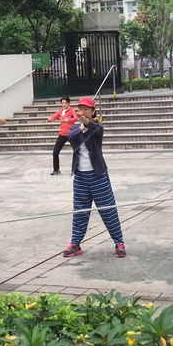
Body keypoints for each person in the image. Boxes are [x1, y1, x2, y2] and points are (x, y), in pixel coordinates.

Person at [62, 96, 126, 258]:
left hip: (98, 176)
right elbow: (71, 136)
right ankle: (75, 244)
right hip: (80, 177)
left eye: (86, 109)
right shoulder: (75, 128)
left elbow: (98, 130)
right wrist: (82, 125)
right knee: (80, 211)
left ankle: (119, 242)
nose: (83, 111)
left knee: (108, 210)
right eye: (81, 109)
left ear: (92, 111)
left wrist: (88, 123)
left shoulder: (97, 126)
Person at [46, 96, 77, 175]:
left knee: (76, 151)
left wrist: (69, 120)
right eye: (62, 103)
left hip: (71, 134)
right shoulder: (60, 111)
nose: (63, 104)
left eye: (65, 103)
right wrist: (50, 119)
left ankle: (75, 170)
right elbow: (54, 117)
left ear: (68, 103)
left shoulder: (72, 111)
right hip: (62, 134)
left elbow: (76, 118)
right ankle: (56, 170)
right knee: (55, 152)